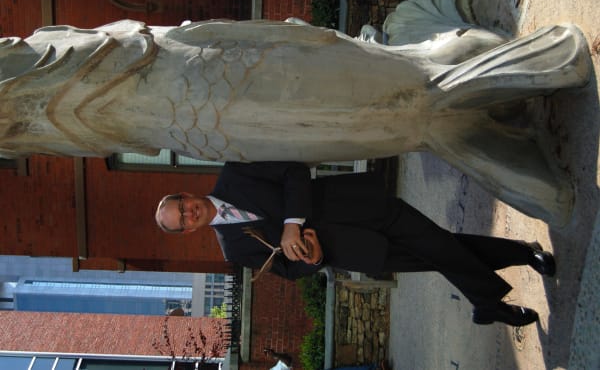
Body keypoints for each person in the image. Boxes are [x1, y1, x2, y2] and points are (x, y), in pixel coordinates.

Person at [155, 161, 556, 327]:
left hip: (357, 205)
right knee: (441, 251)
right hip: (352, 249)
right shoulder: (234, 249)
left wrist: (293, 223)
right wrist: (313, 258)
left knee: (437, 245)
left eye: (183, 207)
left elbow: (294, 170)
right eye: (183, 221)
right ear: (188, 232)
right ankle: (522, 255)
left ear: (186, 195)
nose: (189, 214)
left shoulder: (234, 175)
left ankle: (492, 298)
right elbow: (288, 270)